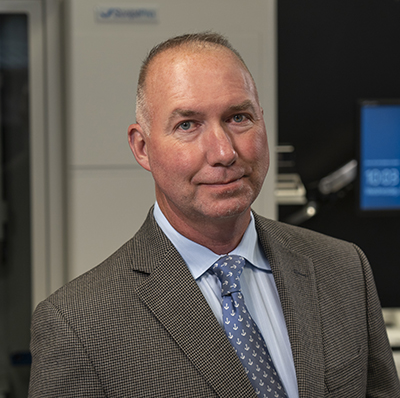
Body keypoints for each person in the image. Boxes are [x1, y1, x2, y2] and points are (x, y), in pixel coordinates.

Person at [29, 32, 400, 397]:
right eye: (187, 125)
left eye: (238, 117)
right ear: (142, 147)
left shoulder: (344, 269)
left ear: (262, 122)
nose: (224, 152)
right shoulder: (77, 325)